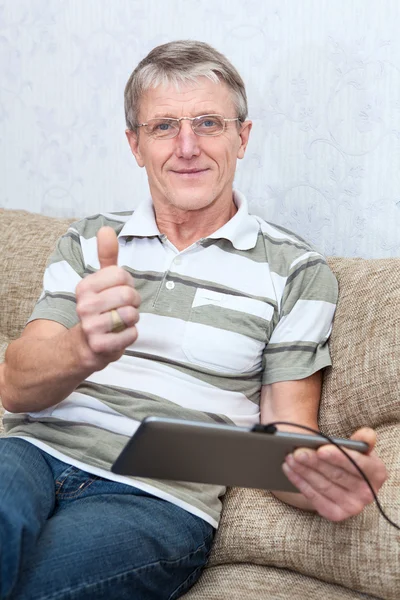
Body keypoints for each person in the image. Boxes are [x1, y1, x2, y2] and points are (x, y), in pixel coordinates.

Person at [0, 40, 387, 600]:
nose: (187, 147)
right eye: (163, 127)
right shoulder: (89, 241)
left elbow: (285, 430)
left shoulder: (297, 271)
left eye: (208, 122)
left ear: (242, 137)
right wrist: (82, 348)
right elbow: (15, 385)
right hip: (32, 451)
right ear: (135, 145)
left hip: (155, 497)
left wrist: (320, 479)